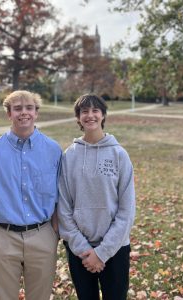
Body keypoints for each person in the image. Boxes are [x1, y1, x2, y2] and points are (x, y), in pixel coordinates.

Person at [0, 90, 61, 300]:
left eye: (29, 107)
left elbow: (61, 197)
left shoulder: (54, 150)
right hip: (3, 238)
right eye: (18, 108)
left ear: (36, 112)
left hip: (42, 236)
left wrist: (54, 233)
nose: (24, 113)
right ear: (9, 114)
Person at [57, 94, 136, 300]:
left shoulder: (119, 154)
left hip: (115, 247)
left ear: (103, 115)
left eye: (95, 111)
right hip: (79, 249)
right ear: (78, 118)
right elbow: (63, 208)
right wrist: (83, 249)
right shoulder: (69, 156)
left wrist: (102, 253)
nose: (90, 115)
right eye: (84, 111)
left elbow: (126, 210)